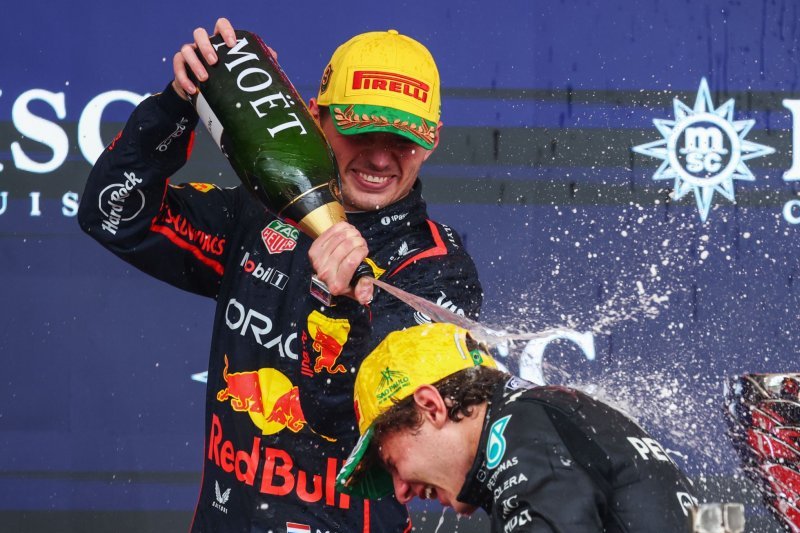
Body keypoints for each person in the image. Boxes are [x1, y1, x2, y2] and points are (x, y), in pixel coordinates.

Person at [77, 18, 482, 533]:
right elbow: (113, 217)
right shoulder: (258, 213)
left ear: (431, 142)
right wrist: (177, 107)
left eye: (401, 141)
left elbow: (357, 423)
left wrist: (340, 306)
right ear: (315, 118)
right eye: (361, 132)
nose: (380, 158)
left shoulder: (437, 271)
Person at [337, 323, 699, 533]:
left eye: (391, 463)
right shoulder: (541, 414)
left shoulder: (518, 428)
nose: (400, 492)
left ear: (431, 407)